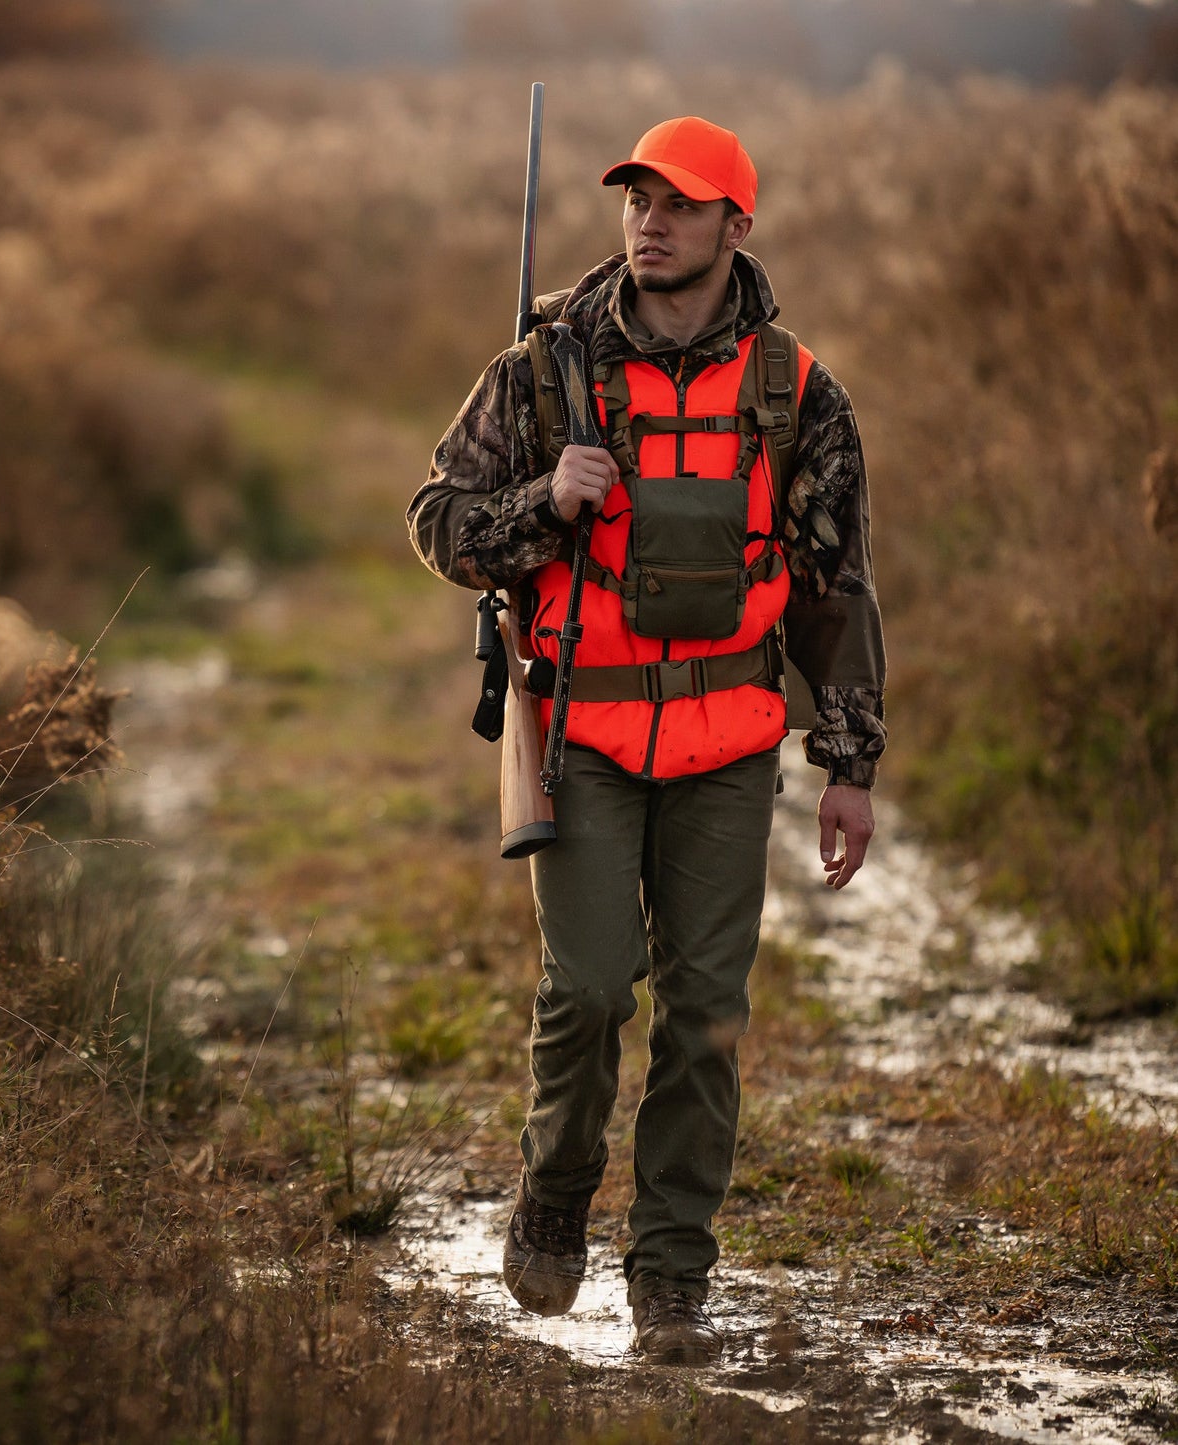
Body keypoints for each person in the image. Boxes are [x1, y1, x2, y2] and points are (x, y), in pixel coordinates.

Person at [407, 115, 886, 1364]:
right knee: (585, 986)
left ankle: (671, 1277)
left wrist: (848, 767)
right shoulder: (541, 367)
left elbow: (834, 588)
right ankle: (555, 1191)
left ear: (736, 221)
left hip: (729, 745)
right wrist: (535, 502)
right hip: (578, 733)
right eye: (634, 197)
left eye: (677, 201)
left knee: (706, 1016)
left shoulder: (796, 390)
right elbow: (435, 520)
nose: (648, 219)